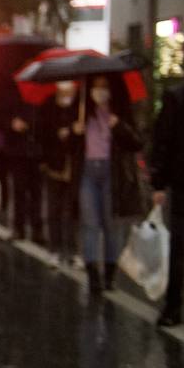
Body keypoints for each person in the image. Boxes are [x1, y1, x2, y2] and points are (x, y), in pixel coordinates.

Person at [76, 74, 144, 294]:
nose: (99, 91)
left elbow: (136, 142)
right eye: (95, 87)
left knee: (110, 224)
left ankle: (110, 273)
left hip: (112, 173)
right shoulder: (83, 112)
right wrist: (73, 132)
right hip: (88, 171)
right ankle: (93, 275)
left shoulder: (120, 113)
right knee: (90, 224)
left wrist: (119, 126)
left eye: (104, 87)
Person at [149, 73, 184, 327]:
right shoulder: (179, 96)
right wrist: (159, 182)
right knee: (180, 247)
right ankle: (173, 306)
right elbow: (163, 139)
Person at [40, 81, 82, 264]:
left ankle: (72, 250)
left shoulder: (81, 105)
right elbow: (41, 134)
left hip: (75, 165)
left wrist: (74, 132)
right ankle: (54, 248)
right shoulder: (48, 106)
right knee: (54, 208)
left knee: (73, 209)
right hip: (54, 165)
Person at [0, 96, 43, 242]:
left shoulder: (41, 105)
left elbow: (45, 126)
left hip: (36, 155)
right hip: (17, 154)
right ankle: (19, 228)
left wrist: (31, 125)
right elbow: (0, 118)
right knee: (19, 192)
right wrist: (12, 124)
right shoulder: (12, 101)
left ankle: (37, 229)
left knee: (36, 194)